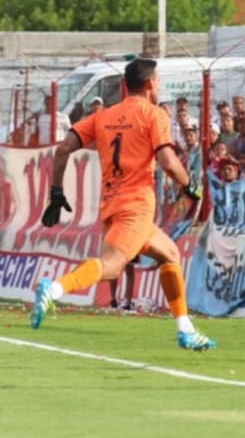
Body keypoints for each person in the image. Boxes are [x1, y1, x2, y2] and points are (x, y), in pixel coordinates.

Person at [29, 58, 217, 351]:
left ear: (124, 85)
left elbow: (63, 149)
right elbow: (168, 161)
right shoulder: (153, 115)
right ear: (151, 83)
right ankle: (54, 288)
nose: (160, 85)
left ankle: (186, 329)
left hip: (113, 206)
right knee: (113, 267)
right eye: (159, 80)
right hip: (136, 207)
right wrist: (191, 186)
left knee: (169, 255)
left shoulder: (103, 116)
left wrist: (56, 191)